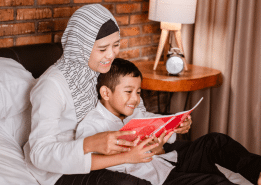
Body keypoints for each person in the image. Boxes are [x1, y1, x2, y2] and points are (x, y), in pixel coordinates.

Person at [23, 4, 191, 185]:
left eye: (116, 45)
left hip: (110, 158)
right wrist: (89, 144)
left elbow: (135, 113)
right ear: (81, 47)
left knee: (202, 151)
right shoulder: (51, 86)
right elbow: (40, 154)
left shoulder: (102, 70)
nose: (111, 55)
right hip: (60, 172)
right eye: (102, 49)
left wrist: (168, 125)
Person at [76, 58, 261, 185]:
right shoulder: (92, 125)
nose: (135, 99)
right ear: (106, 93)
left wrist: (177, 125)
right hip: (158, 178)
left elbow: (158, 123)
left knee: (215, 141)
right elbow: (84, 163)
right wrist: (132, 155)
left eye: (138, 92)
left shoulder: (133, 113)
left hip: (168, 161)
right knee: (215, 182)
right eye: (128, 92)